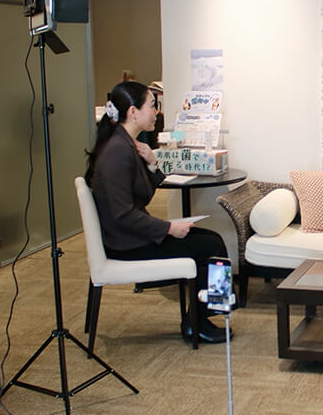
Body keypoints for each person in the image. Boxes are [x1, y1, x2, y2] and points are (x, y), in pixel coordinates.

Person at [85, 81, 231, 344]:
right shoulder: (118, 151)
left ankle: (202, 317)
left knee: (212, 242)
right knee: (211, 245)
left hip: (129, 237)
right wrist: (169, 228)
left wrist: (153, 164)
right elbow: (123, 214)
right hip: (126, 245)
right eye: (152, 106)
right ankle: (200, 321)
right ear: (133, 112)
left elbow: (141, 195)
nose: (156, 112)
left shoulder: (126, 145)